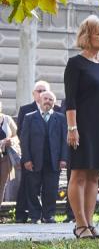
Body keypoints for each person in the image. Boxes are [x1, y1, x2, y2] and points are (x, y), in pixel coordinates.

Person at [64, 15, 99, 239]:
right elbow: (71, 99)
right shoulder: (76, 64)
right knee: (78, 174)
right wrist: (72, 128)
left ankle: (89, 223)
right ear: (87, 35)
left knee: (94, 176)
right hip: (82, 125)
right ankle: (79, 225)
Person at [20, 90, 68, 224]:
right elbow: (24, 140)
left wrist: (63, 159)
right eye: (45, 99)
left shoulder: (60, 118)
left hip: (53, 160)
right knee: (33, 189)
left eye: (51, 99)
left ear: (54, 103)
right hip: (34, 160)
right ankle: (34, 216)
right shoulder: (29, 117)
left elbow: (64, 140)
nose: (48, 101)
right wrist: (27, 159)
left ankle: (48, 215)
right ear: (40, 101)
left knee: (51, 189)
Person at [14, 81, 54, 223]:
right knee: (29, 187)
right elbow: (21, 133)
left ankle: (47, 215)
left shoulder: (58, 110)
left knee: (50, 187)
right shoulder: (26, 110)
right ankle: (26, 214)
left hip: (51, 157)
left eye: (44, 90)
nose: (42, 93)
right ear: (34, 93)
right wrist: (27, 156)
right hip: (32, 155)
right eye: (39, 90)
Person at [0, 97, 19, 208]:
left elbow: (18, 135)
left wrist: (10, 140)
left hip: (5, 158)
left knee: (2, 185)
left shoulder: (7, 119)